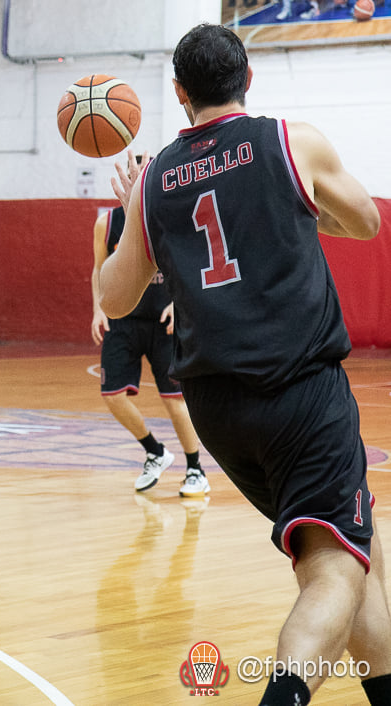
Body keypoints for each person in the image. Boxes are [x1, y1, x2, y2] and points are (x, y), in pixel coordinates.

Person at [100, 23, 391, 705]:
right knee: (333, 567)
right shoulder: (291, 141)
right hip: (301, 390)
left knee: (353, 548)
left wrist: (128, 211)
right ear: (248, 79)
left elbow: (116, 297)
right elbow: (367, 224)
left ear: (179, 93)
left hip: (218, 409)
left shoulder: (155, 178)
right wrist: (296, 207)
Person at [90, 203, 209, 496]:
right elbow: (99, 269)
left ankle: (196, 469)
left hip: (162, 323)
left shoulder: (165, 213)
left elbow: (190, 264)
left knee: (173, 400)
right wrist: (98, 309)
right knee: (112, 396)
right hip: (122, 319)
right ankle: (155, 451)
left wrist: (178, 304)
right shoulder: (107, 224)